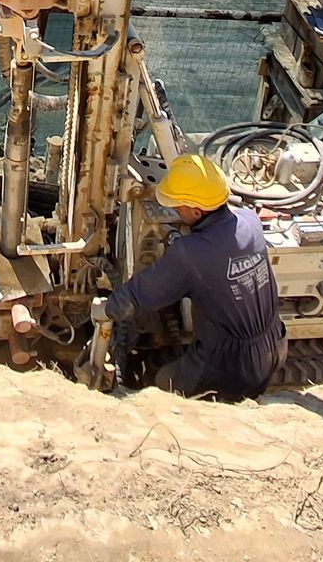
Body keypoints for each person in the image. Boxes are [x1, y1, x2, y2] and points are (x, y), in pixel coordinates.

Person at [91, 153, 287, 401]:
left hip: (231, 366)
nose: (173, 210)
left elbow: (138, 296)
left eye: (177, 206)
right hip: (274, 345)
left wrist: (106, 309)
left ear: (196, 211)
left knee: (163, 382)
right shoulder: (250, 221)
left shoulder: (191, 253)